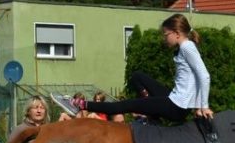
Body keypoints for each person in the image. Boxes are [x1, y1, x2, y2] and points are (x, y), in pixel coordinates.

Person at [79, 14, 213, 122]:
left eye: (166, 35)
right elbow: (193, 80)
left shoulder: (187, 47)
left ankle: (85, 105)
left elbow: (204, 76)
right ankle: (152, 116)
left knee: (127, 105)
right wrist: (196, 106)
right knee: (138, 76)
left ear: (177, 33)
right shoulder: (184, 47)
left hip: (176, 106)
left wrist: (203, 107)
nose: (164, 39)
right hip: (175, 98)